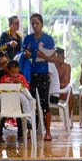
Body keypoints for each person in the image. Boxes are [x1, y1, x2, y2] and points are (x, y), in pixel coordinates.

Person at [22, 13, 56, 141]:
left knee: (44, 103)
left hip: (43, 73)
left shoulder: (48, 39)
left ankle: (48, 131)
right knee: (30, 102)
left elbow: (53, 58)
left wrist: (44, 56)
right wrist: (26, 54)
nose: (35, 26)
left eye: (37, 23)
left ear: (42, 24)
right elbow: (22, 53)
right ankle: (31, 130)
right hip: (30, 73)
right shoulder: (28, 39)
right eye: (32, 24)